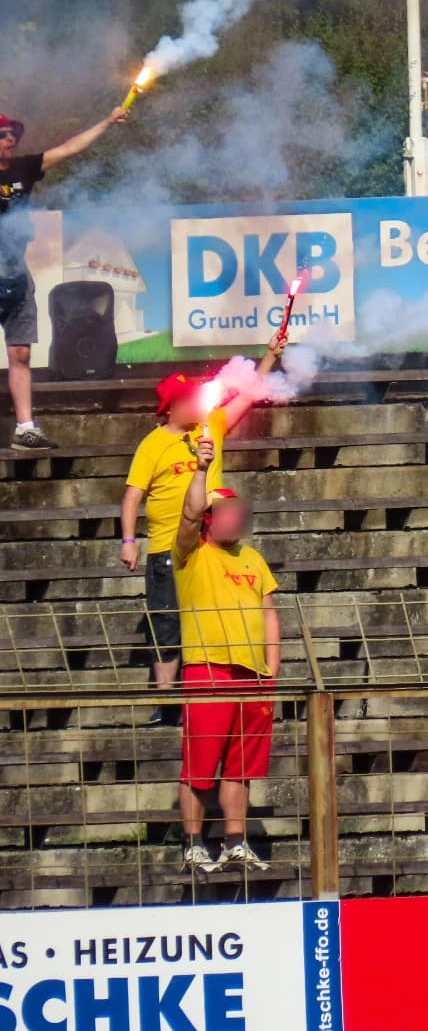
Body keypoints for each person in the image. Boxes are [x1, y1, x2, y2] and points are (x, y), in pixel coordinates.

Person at [121, 337, 286, 725]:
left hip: (209, 547)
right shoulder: (153, 444)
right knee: (166, 621)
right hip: (166, 546)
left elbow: (248, 393)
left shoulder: (211, 423)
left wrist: (270, 357)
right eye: (188, 399)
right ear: (172, 407)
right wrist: (129, 541)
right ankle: (167, 703)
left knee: (209, 616)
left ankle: (210, 693)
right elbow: (131, 497)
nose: (197, 402)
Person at [172, 434, 280, 872]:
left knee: (241, 766)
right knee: (199, 764)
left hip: (251, 675)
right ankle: (193, 844)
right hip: (208, 669)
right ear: (209, 520)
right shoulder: (191, 553)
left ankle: (235, 841)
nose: (234, 519)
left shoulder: (252, 557)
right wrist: (200, 468)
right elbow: (187, 513)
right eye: (223, 512)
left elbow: (270, 613)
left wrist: (271, 670)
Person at [0, 107, 129, 450]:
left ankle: (25, 428)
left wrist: (106, 120)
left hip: (15, 271)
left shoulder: (24, 168)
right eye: (3, 134)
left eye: (12, 133)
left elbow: (70, 148)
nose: (10, 139)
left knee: (21, 353)